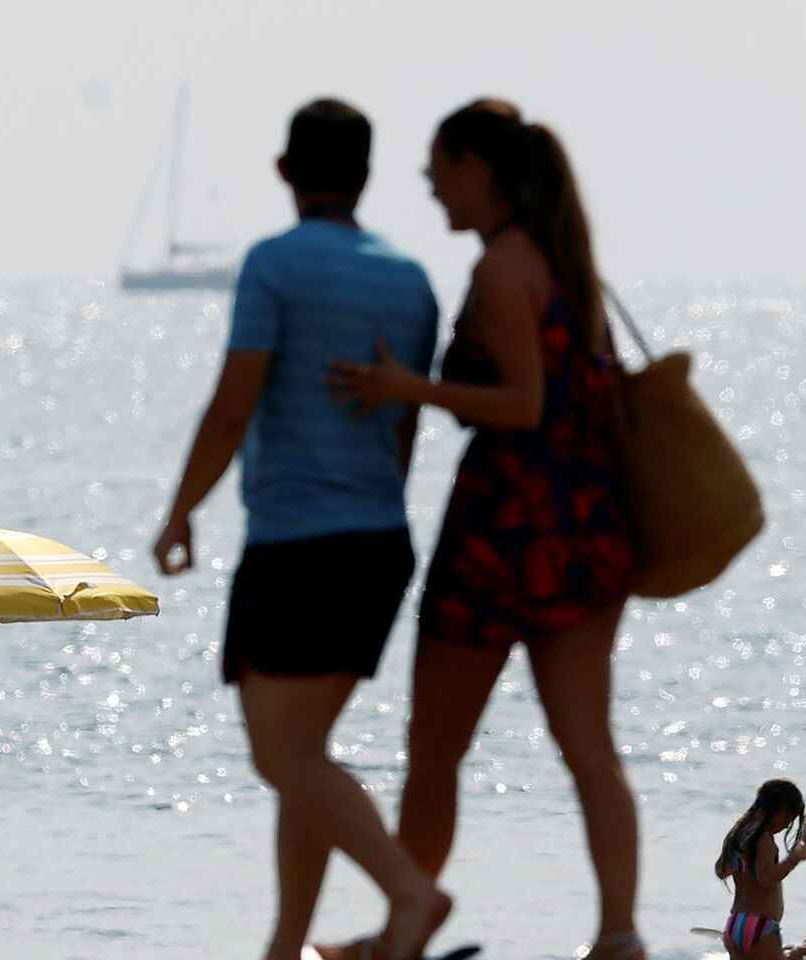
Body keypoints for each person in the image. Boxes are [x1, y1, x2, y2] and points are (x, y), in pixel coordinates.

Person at [325, 98, 641, 959]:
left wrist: (408, 390)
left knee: (433, 749)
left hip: (508, 532)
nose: (430, 185)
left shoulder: (504, 268)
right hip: (583, 527)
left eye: (440, 168)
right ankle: (619, 934)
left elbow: (523, 405)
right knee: (588, 750)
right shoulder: (561, 262)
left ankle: (407, 924)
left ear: (479, 168)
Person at [150, 97, 444, 960]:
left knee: (282, 760)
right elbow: (406, 427)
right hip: (380, 541)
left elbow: (235, 398)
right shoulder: (411, 278)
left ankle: (410, 895)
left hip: (296, 542)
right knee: (305, 756)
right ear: (365, 175)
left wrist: (180, 510)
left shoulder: (274, 265)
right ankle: (285, 947)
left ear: (285, 170)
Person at [713, 781, 806, 960]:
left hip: (736, 924)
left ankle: (794, 952)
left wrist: (742, 863)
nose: (787, 826)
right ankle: (796, 953)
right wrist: (793, 859)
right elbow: (765, 878)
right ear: (778, 809)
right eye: (788, 819)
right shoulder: (764, 839)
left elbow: (721, 870)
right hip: (760, 926)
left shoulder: (739, 835)